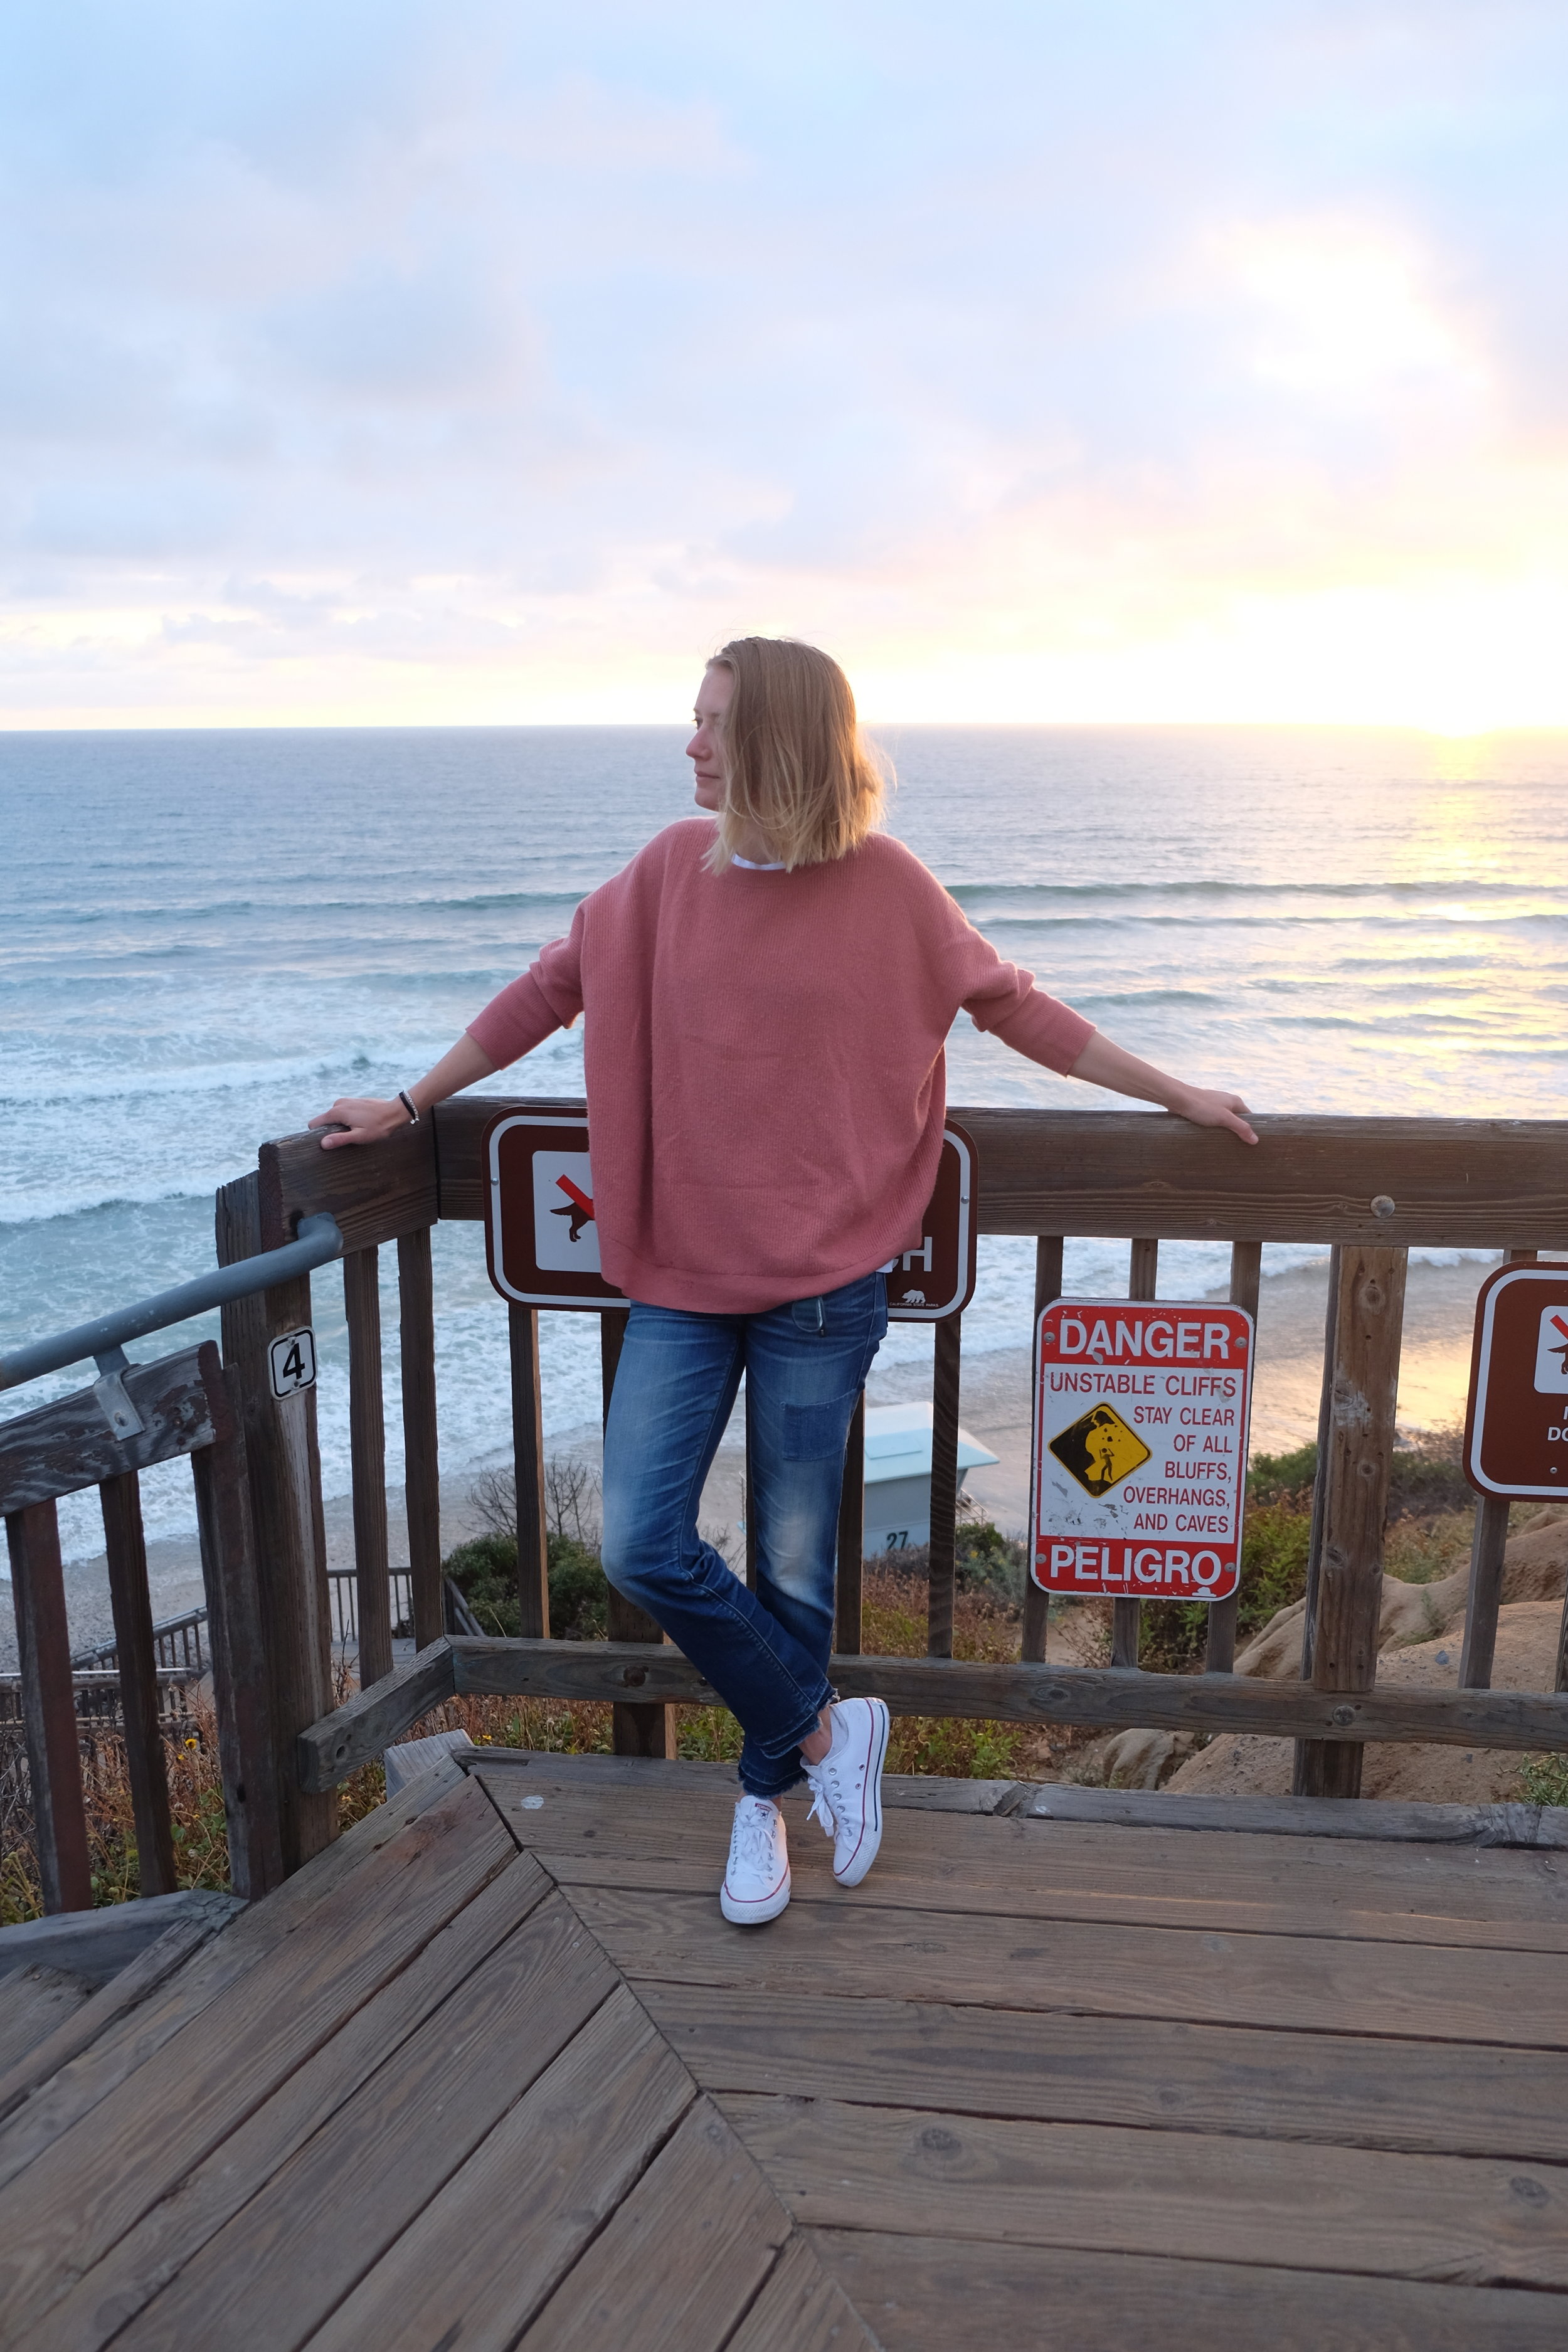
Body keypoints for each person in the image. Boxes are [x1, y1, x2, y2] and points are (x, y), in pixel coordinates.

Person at [310, 637, 1256, 1926]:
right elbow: (547, 989)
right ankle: (824, 1737)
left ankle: (761, 1805)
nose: (688, 743)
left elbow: (1014, 1007)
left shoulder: (888, 888)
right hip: (680, 1277)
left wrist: (1175, 1091)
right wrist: (413, 1101)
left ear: (780, 744)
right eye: (690, 718)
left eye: (710, 723)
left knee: (794, 1567)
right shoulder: (659, 875)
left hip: (824, 1284)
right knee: (644, 1543)